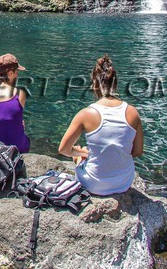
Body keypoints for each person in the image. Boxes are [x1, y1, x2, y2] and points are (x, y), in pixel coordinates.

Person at [58, 55, 143, 197]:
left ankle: (81, 156)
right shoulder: (132, 113)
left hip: (94, 184)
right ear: (115, 83)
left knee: (81, 154)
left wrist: (82, 153)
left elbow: (63, 149)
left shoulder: (86, 114)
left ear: (94, 83)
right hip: (124, 182)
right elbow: (137, 152)